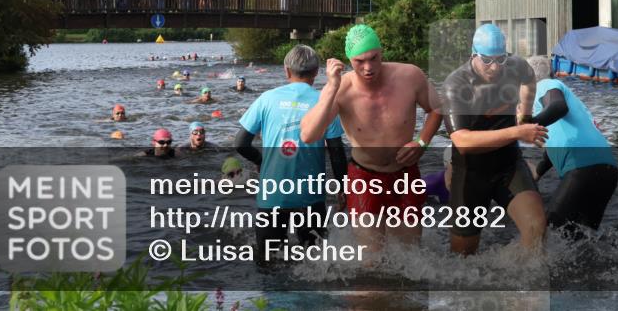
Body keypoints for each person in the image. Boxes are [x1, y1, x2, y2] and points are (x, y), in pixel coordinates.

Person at [300, 24, 442, 250]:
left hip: (405, 176)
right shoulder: (341, 88)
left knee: (409, 257)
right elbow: (308, 135)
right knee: (370, 263)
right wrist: (331, 87)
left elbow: (436, 109)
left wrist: (422, 142)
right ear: (349, 60)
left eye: (373, 58)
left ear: (381, 52)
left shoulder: (410, 75)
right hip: (364, 178)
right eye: (359, 61)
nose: (368, 67)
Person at [439, 23, 547, 256]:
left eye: (500, 59)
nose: (495, 67)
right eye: (487, 60)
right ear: (473, 55)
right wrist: (518, 132)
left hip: (508, 165)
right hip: (470, 174)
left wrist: (525, 114)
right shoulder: (455, 85)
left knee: (536, 227)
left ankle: (522, 286)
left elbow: (529, 80)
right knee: (463, 258)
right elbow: (462, 141)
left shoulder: (516, 66)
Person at [234, 45, 348, 262]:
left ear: (286, 71)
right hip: (311, 195)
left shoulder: (266, 99)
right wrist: (343, 188)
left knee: (268, 264)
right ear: (316, 73)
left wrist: (262, 159)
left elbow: (240, 143)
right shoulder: (325, 103)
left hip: (273, 194)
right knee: (315, 262)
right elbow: (336, 151)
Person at [525, 56, 618, 237]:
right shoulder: (571, 100)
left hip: (582, 169)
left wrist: (530, 125)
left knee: (548, 233)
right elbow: (559, 141)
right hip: (608, 170)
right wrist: (538, 171)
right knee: (581, 239)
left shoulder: (544, 85)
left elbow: (559, 107)